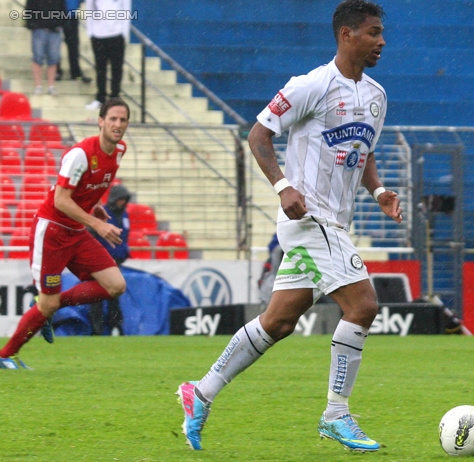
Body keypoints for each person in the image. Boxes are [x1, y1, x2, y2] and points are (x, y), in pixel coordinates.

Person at [176, 0, 401, 452]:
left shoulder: (376, 95)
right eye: (374, 32)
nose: (381, 41)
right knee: (363, 306)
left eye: (381, 33)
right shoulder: (310, 86)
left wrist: (378, 192)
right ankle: (337, 414)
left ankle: (199, 392)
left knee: (277, 322)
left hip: (335, 221)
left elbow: (365, 150)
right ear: (347, 35)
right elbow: (258, 134)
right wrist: (282, 186)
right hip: (307, 217)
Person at [0, 98, 130, 369]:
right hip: (52, 232)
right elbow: (60, 200)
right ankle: (5, 355)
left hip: (76, 230)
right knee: (45, 305)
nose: (118, 125)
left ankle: (53, 304)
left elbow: (89, 185)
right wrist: (97, 225)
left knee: (115, 285)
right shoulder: (80, 154)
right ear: (101, 121)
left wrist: (94, 205)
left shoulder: (119, 150)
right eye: (113, 119)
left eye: (123, 120)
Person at [88, 183, 131, 336]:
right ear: (114, 199)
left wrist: (124, 252)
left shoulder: (125, 215)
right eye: (120, 199)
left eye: (124, 199)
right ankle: (97, 329)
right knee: (96, 297)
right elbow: (90, 234)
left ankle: (116, 328)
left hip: (116, 261)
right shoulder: (102, 213)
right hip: (101, 263)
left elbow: (125, 237)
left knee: (115, 296)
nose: (123, 202)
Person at [84, 0, 131, 110]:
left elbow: (126, 10)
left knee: (117, 68)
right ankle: (100, 98)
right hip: (98, 36)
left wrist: (124, 33)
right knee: (100, 68)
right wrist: (90, 33)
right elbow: (89, 9)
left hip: (117, 34)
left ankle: (115, 97)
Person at [25, 0, 66, 96]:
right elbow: (29, 9)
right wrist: (32, 25)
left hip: (54, 31)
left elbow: (63, 10)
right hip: (39, 29)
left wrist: (60, 24)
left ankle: (51, 86)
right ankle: (38, 86)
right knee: (38, 57)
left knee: (53, 59)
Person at [58, 0, 92, 83]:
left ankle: (75, 72)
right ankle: (56, 71)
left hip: (71, 14)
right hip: (56, 13)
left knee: (73, 44)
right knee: (55, 45)